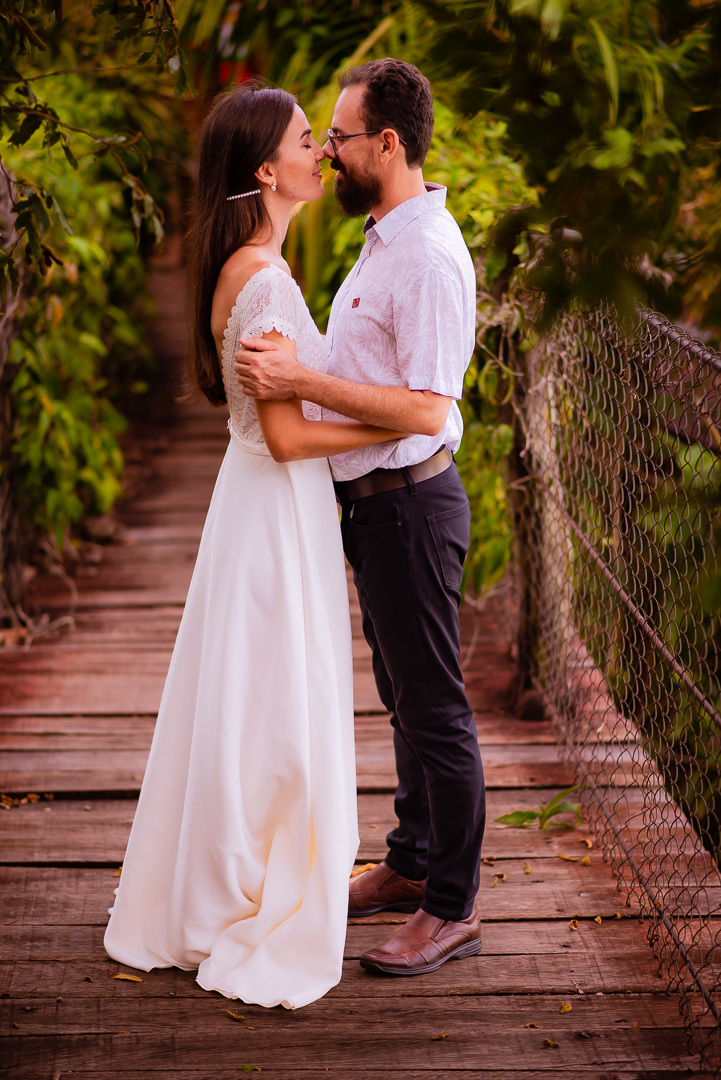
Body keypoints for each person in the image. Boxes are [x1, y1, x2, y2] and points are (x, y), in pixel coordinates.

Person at [103, 83, 409, 1009]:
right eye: (305, 140)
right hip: (276, 501)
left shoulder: (244, 263)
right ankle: (247, 882)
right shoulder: (265, 277)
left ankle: (218, 871)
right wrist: (404, 426)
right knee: (274, 697)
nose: (322, 151)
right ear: (261, 169)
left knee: (246, 695)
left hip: (255, 504)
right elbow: (284, 436)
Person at [234, 58, 486, 976]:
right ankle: (410, 863)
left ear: (388, 143)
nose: (330, 152)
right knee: (405, 700)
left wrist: (298, 381)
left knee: (434, 708)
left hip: (411, 506)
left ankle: (451, 907)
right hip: (378, 511)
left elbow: (425, 408)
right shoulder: (385, 237)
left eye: (340, 138)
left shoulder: (423, 255)